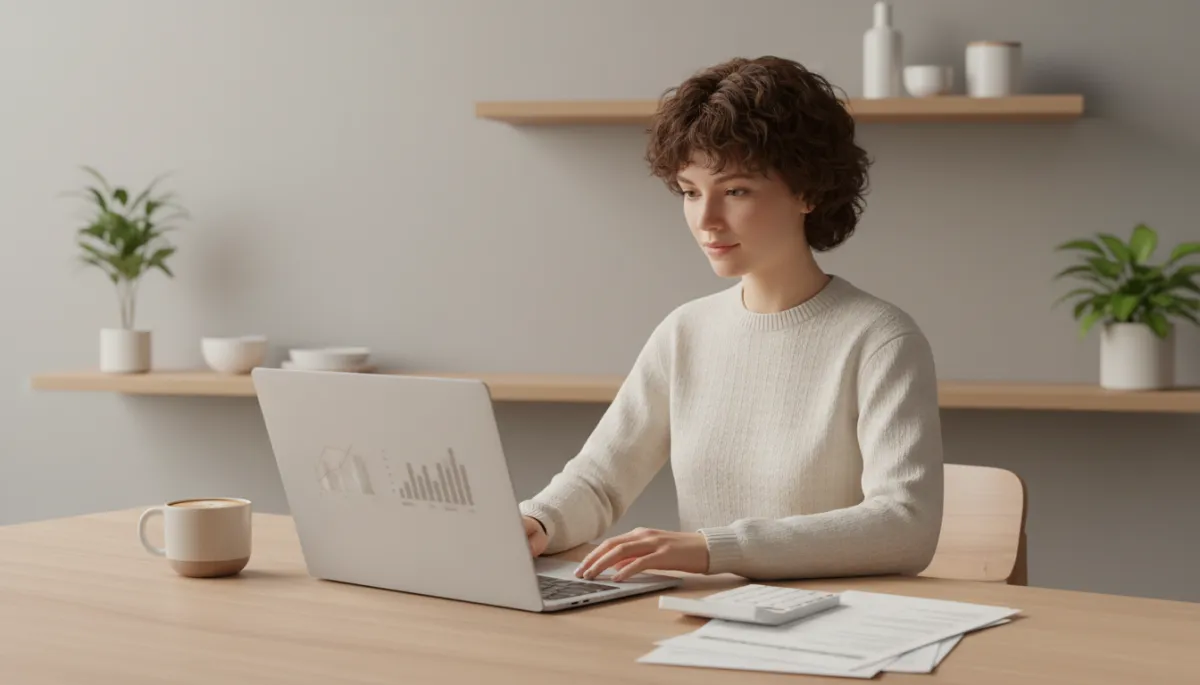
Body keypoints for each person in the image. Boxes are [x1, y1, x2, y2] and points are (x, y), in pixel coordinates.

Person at [518, 55, 944, 583]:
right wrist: (538, 519)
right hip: (706, 619)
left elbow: (907, 525)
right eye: (691, 192)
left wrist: (711, 548)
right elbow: (601, 480)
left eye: (736, 190)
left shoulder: (880, 340)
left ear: (808, 191)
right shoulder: (686, 332)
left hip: (834, 629)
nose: (706, 220)